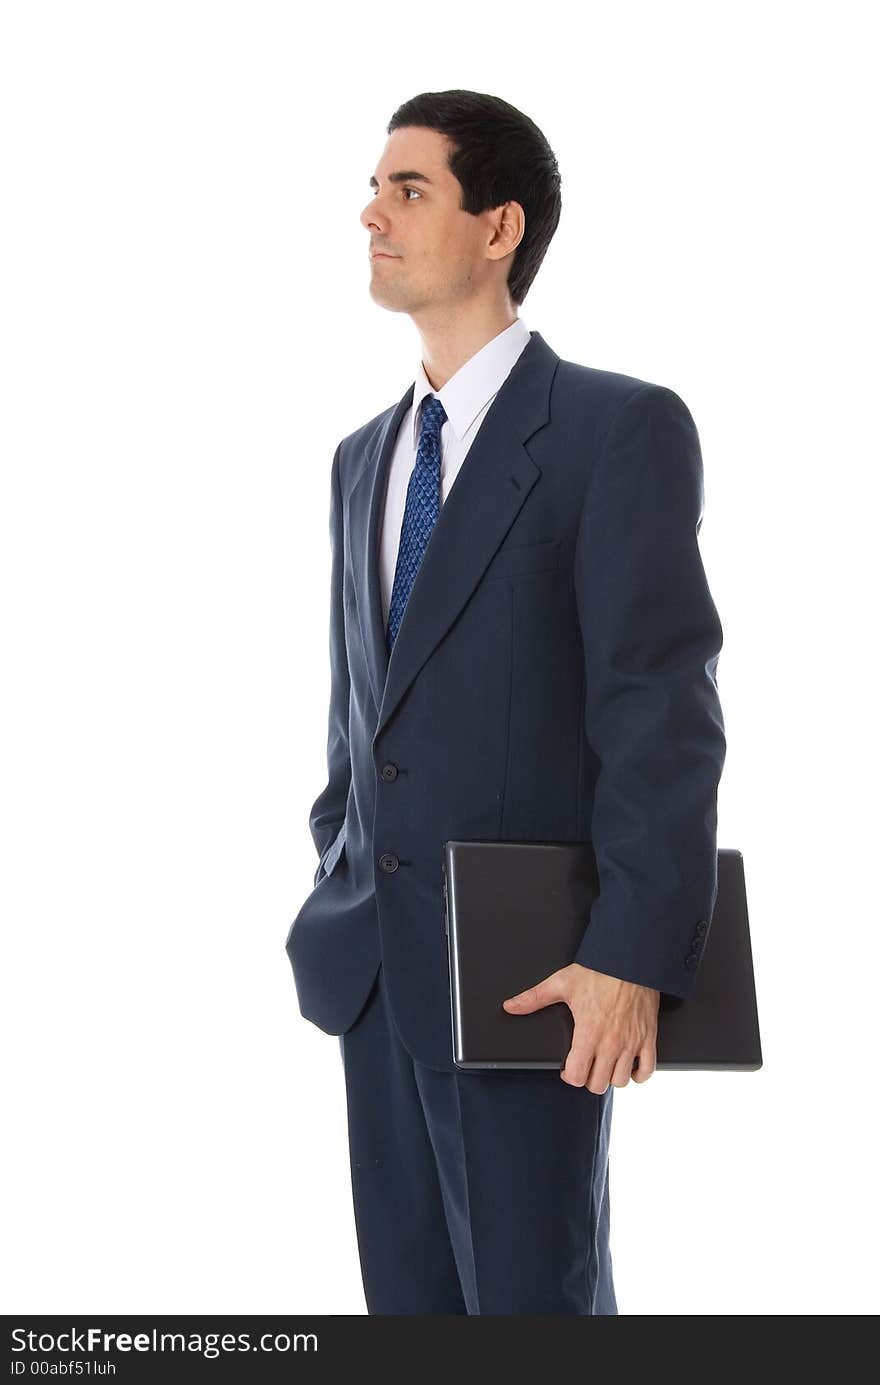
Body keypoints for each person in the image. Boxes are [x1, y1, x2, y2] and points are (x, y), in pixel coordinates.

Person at [286, 89, 726, 1315]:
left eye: (407, 188)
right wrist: (341, 865)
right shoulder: (361, 458)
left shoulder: (612, 429)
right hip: (374, 967)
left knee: (538, 1307)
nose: (370, 212)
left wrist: (632, 951)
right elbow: (360, 713)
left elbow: (659, 704)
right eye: (376, 188)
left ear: (498, 227)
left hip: (537, 974)